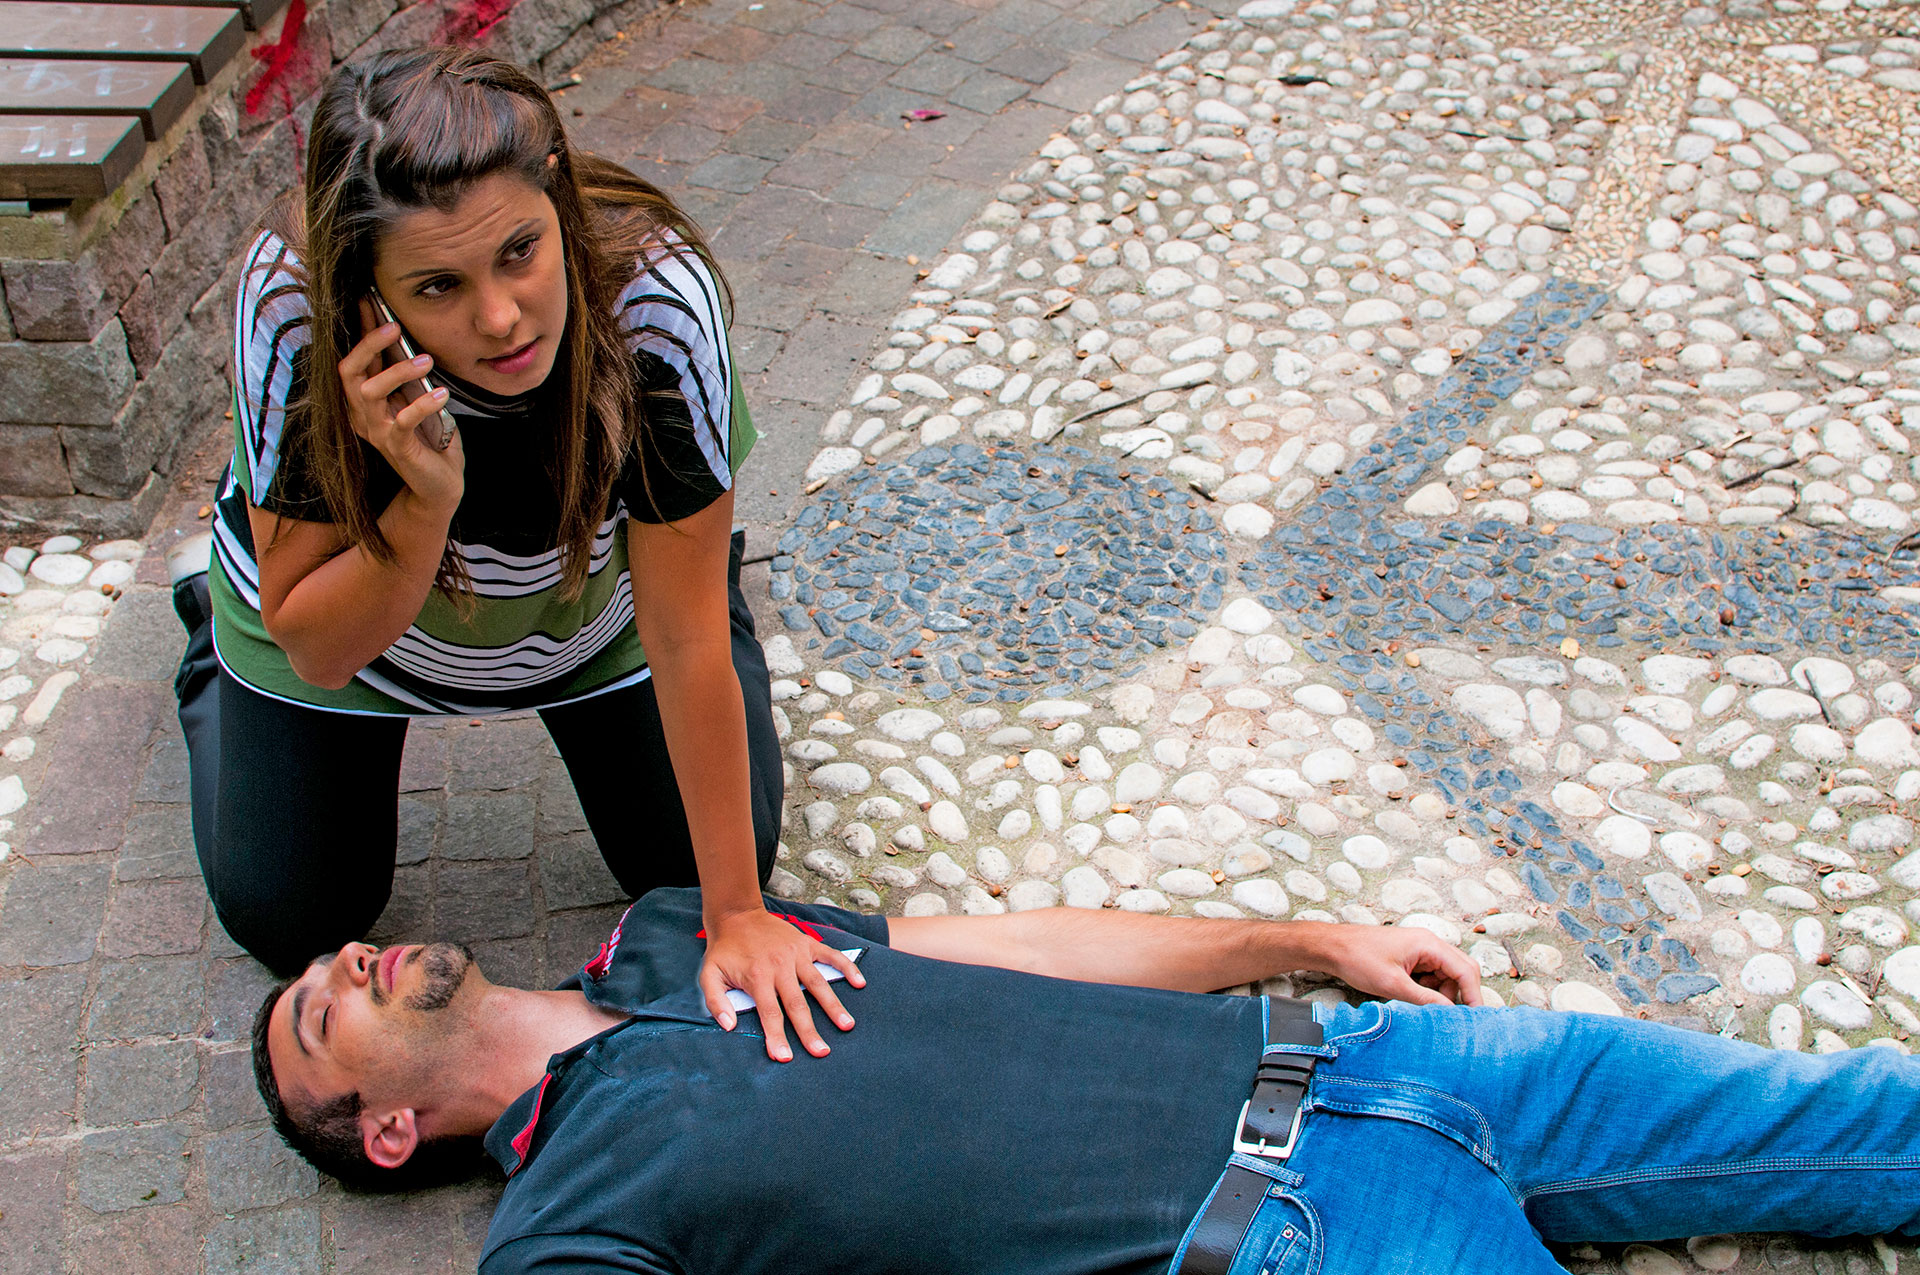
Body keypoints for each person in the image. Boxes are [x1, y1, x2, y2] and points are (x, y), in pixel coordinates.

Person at [172, 46, 854, 1060]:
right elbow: (318, 649)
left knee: (706, 866)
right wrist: (422, 504)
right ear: (368, 293)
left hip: (598, 625)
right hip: (353, 634)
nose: (499, 319)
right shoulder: (292, 308)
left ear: (561, 208)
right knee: (287, 917)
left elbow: (679, 633)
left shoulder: (658, 300)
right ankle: (204, 626)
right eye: (438, 285)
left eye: (521, 254)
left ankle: (696, 567)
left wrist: (739, 917)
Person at [254, 893, 1920, 1275]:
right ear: (386, 1130)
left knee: (1849, 1117)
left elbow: (1012, 945)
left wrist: (1306, 934)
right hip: (1292, 1249)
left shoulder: (685, 928)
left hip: (1368, 1060)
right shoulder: (561, 1232)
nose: (348, 964)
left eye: (334, 958)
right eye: (322, 1015)